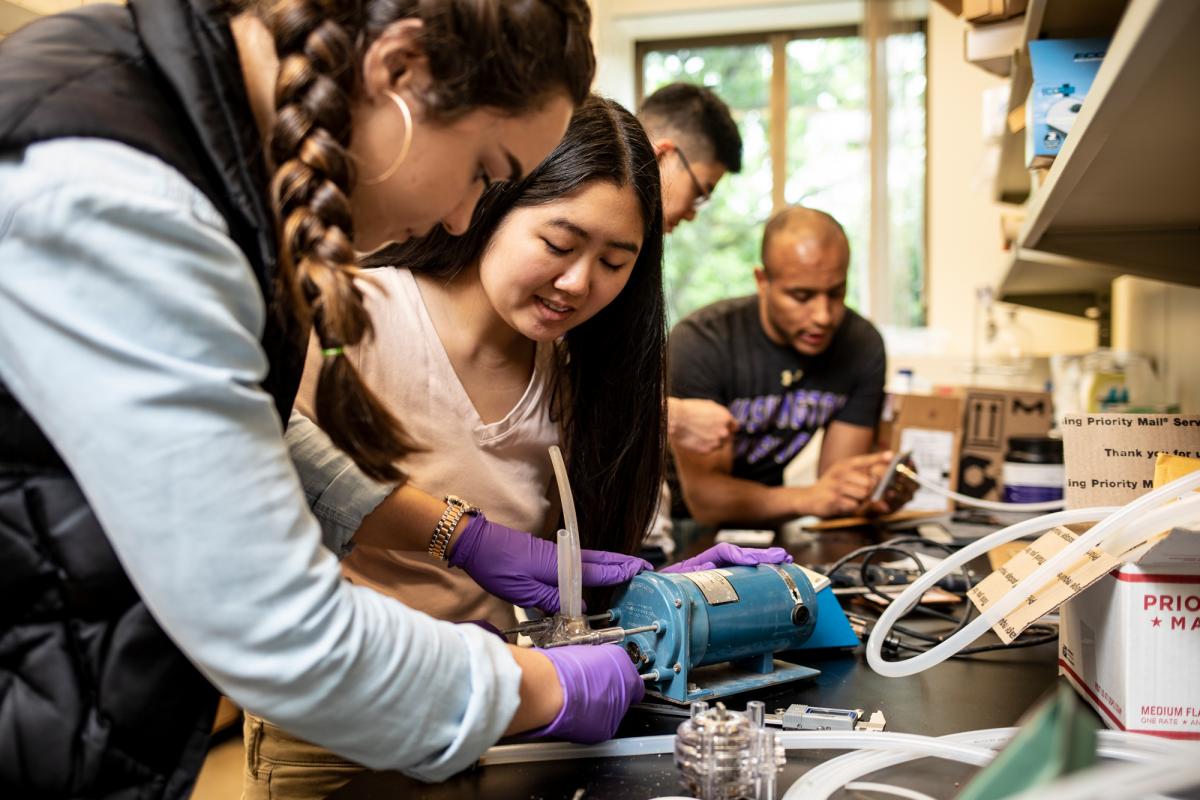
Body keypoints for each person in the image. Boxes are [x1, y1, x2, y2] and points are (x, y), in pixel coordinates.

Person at [0, 1, 647, 797]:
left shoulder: (185, 139)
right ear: (399, 70)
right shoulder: (120, 190)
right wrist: (543, 688)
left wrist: (459, 536)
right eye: (484, 171)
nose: (458, 217)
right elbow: (281, 630)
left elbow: (244, 430)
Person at [258, 95, 791, 799]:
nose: (578, 284)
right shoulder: (352, 319)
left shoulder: (575, 379)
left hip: (506, 721)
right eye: (559, 244)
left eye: (615, 261)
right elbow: (273, 520)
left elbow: (562, 595)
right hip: (344, 725)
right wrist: (462, 557)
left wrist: (674, 594)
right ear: (492, 203)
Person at [669, 206, 904, 527]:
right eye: (802, 296)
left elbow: (838, 488)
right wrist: (810, 497)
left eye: (836, 293)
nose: (823, 316)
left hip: (768, 520)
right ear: (762, 282)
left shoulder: (861, 346)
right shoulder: (702, 343)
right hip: (674, 523)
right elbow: (708, 502)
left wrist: (870, 491)